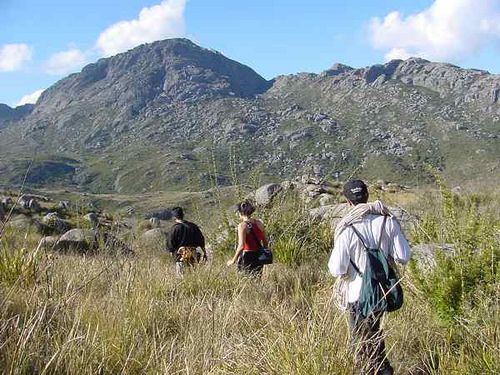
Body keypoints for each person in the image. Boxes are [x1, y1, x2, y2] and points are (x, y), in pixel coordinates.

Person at [328, 180, 411, 375]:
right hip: (382, 291)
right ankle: (380, 369)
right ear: (367, 196)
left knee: (362, 341)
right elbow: (403, 256)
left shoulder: (347, 228)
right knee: (373, 334)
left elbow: (336, 268)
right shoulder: (387, 221)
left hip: (356, 294)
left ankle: (380, 371)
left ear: (348, 202)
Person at [226, 201, 268, 276]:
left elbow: (241, 246)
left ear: (240, 213)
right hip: (258, 255)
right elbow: (265, 241)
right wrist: (264, 254)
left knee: (245, 280)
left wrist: (233, 260)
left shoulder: (242, 226)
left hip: (247, 257)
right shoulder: (259, 223)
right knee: (257, 278)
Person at [166, 207, 207, 276]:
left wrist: (173, 255)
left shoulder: (174, 229)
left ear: (174, 217)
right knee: (194, 276)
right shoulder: (193, 226)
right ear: (183, 215)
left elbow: (170, 245)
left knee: (181, 278)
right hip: (193, 256)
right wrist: (204, 253)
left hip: (180, 257)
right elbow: (201, 241)